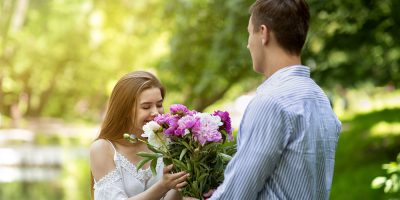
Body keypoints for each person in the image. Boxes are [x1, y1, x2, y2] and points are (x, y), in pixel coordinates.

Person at [207, 0, 342, 199]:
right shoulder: (320, 99)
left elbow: (237, 194)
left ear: (263, 33)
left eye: (249, 33)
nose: (247, 44)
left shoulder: (270, 102)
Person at [90, 71, 190, 200]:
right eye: (146, 107)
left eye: (159, 105)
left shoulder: (169, 142)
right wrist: (163, 186)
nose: (155, 112)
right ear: (125, 110)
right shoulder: (103, 149)